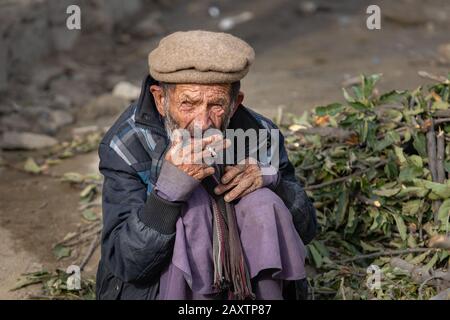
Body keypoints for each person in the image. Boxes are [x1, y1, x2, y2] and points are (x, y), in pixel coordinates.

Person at [96, 30, 317, 300]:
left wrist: (276, 182)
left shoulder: (258, 135)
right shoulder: (126, 143)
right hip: (158, 288)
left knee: (263, 202)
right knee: (192, 207)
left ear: (235, 104)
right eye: (188, 104)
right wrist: (166, 195)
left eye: (216, 105)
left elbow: (306, 230)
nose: (202, 122)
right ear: (161, 99)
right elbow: (128, 263)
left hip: (243, 286)